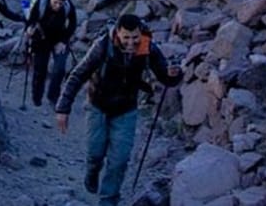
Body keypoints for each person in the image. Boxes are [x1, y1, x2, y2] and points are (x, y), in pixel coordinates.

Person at [54, 14, 182, 206]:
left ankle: (108, 200)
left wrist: (174, 74)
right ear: (118, 34)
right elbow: (78, 75)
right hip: (97, 105)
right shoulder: (103, 45)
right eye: (126, 38)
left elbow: (166, 78)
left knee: (119, 160)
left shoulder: (149, 48)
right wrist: (63, 108)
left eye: (135, 37)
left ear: (140, 33)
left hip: (126, 109)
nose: (131, 42)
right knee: (95, 151)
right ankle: (92, 170)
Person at [25, 0, 77, 106]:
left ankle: (53, 97)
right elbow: (31, 20)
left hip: (59, 40)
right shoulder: (41, 3)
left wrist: (64, 41)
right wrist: (30, 29)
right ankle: (37, 97)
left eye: (60, 3)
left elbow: (72, 24)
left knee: (59, 69)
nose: (58, 5)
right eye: (55, 2)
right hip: (41, 40)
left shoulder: (68, 5)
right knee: (40, 70)